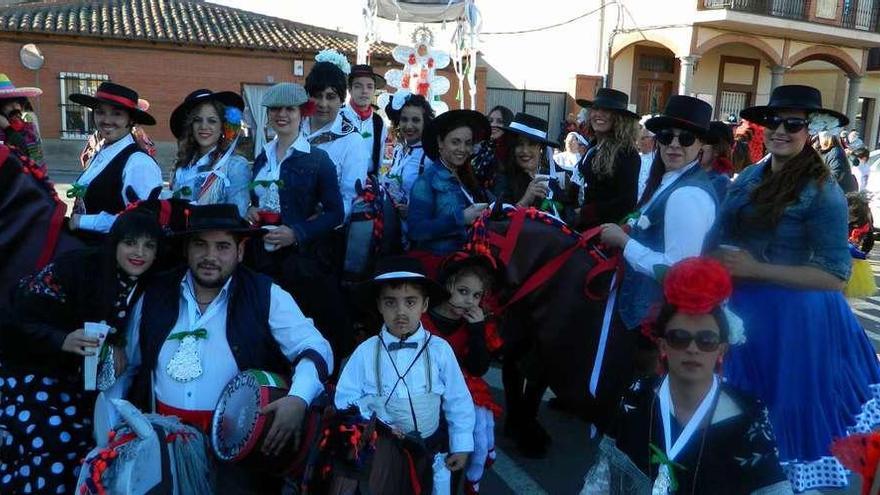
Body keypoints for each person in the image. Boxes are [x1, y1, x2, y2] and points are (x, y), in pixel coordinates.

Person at [718, 84, 880, 492]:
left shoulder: (824, 192)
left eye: (794, 124)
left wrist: (756, 268)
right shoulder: (755, 172)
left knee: (790, 410)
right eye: (774, 121)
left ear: (810, 130)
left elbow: (833, 275)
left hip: (796, 324)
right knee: (744, 402)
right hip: (747, 313)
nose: (781, 131)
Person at [122, 203, 334, 494]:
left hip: (240, 455)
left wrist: (299, 398)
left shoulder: (264, 294)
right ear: (186, 249)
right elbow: (130, 365)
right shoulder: (154, 293)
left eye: (222, 246)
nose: (210, 256)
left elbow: (315, 347)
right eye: (200, 245)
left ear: (241, 251)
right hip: (162, 447)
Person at [581, 258, 791, 495]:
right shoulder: (638, 395)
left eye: (707, 340)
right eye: (679, 338)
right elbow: (605, 476)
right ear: (662, 347)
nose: (693, 348)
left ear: (721, 351)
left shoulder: (747, 414)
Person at [0, 210, 162, 494]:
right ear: (115, 243)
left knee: (83, 454)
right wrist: (60, 339)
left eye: (149, 245)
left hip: (82, 388)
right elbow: (16, 318)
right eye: (130, 243)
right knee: (49, 452)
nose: (139, 253)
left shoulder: (148, 283)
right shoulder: (78, 267)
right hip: (33, 377)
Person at [598, 96, 718, 428]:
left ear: (701, 145)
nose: (674, 145)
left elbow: (678, 273)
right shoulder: (672, 183)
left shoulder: (686, 195)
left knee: (650, 406)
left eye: (685, 138)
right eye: (667, 136)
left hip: (657, 319)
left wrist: (625, 243)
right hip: (645, 312)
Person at [333, 256, 476, 494]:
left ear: (425, 305)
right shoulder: (366, 352)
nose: (401, 312)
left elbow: (458, 400)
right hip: (381, 449)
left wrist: (461, 444)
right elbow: (345, 400)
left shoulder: (440, 350)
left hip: (429, 447)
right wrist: (378, 423)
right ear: (379, 305)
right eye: (391, 303)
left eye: (410, 302)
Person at [246, 82, 349, 360]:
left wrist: (297, 232)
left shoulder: (318, 160)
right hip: (263, 260)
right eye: (276, 109)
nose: (282, 114)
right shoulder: (261, 158)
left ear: (302, 112)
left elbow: (335, 213)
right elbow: (258, 201)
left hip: (303, 264)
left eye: (289, 109)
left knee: (303, 330)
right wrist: (252, 212)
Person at [424, 252, 504, 495]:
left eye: (476, 295)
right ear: (446, 284)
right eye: (463, 291)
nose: (469, 301)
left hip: (457, 400)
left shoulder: (474, 324)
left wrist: (477, 331)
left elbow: (478, 368)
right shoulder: (423, 317)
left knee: (454, 457)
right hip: (422, 396)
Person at [67, 82, 162, 237]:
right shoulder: (102, 152)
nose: (106, 120)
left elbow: (141, 220)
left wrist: (82, 221)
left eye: (117, 114)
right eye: (100, 112)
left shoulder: (138, 162)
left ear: (130, 120)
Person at [407, 110, 491, 270]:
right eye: (456, 142)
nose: (462, 148)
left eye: (467, 143)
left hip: (468, 265)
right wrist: (460, 219)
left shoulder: (468, 177)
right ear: (440, 142)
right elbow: (416, 231)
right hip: (439, 267)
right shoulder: (426, 182)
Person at [302, 49, 370, 219]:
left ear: (341, 100)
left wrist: (322, 219)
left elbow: (351, 197)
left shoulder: (353, 141)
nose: (323, 104)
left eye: (331, 97)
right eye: (317, 96)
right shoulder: (293, 129)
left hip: (325, 231)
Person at [169, 89, 250, 216]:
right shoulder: (182, 164)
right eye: (197, 120)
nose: (204, 126)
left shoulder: (235, 166)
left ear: (222, 126)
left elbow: (238, 215)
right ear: (190, 125)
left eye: (212, 121)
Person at [572, 88, 641, 230]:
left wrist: (585, 212)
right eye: (596, 109)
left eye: (607, 111)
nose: (598, 114)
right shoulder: (593, 145)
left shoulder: (627, 153)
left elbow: (626, 202)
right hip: (578, 226)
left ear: (620, 118)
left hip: (601, 234)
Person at [492, 112, 568, 215]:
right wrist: (525, 201)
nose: (525, 151)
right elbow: (498, 219)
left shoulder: (551, 177)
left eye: (532, 144)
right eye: (519, 144)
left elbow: (568, 215)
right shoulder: (504, 179)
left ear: (541, 149)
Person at [380, 91, 436, 215]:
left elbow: (443, 201)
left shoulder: (430, 156)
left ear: (425, 123)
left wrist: (413, 211)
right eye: (404, 119)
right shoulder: (398, 150)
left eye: (415, 120)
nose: (409, 126)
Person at [340, 64, 387, 177]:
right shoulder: (339, 117)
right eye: (358, 86)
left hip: (369, 184)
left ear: (374, 90)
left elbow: (380, 159)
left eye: (369, 86)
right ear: (350, 90)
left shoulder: (378, 122)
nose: (364, 91)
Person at [0, 73, 44, 167]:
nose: (14, 107)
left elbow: (34, 158)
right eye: (7, 104)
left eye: (17, 102)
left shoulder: (29, 128)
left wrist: (8, 130)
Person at [471, 105, 513, 191]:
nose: (493, 125)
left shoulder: (511, 152)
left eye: (499, 121)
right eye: (490, 121)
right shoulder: (482, 147)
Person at [699, 121, 735, 201]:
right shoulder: (695, 174)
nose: (696, 147)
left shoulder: (720, 182)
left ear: (717, 150)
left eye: (702, 143)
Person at [636, 120, 656, 201]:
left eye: (643, 138)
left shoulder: (659, 159)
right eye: (639, 138)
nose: (639, 141)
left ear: (654, 139)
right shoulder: (637, 158)